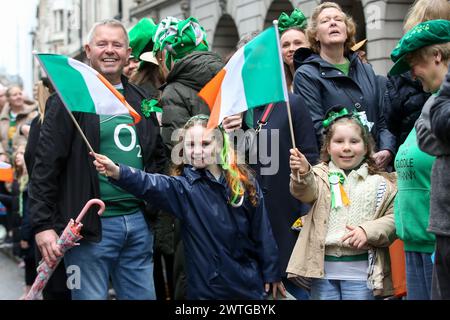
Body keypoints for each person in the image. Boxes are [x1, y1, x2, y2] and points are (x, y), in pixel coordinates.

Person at [28, 19, 166, 300]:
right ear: (88, 50)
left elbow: (157, 156)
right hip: (87, 229)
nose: (110, 50)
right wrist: (42, 226)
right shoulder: (67, 99)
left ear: (129, 53)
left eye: (117, 44)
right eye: (102, 44)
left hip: (138, 225)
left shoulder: (141, 99)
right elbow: (45, 166)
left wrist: (152, 206)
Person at [92, 114, 284, 299]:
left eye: (205, 144)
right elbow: (149, 183)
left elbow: (262, 230)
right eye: (191, 145)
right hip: (207, 290)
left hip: (247, 285)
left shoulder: (243, 182)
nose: (198, 151)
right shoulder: (183, 189)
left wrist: (272, 272)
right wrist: (118, 172)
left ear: (220, 144)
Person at [152, 16, 228, 299]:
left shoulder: (173, 90)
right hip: (230, 186)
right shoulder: (225, 75)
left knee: (189, 278)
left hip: (192, 197)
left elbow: (178, 151)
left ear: (168, 56)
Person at [286, 106, 397, 300]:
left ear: (366, 147)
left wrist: (367, 231)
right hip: (323, 274)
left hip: (362, 275)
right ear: (328, 147)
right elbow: (304, 191)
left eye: (354, 141)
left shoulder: (380, 183)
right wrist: (303, 172)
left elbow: (394, 218)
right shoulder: (319, 176)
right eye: (338, 141)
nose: (346, 147)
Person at [293, 2, 396, 170]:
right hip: (338, 171)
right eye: (325, 21)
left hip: (377, 168)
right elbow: (317, 128)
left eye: (338, 19)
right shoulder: (306, 75)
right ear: (315, 35)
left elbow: (383, 118)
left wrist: (387, 149)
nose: (333, 23)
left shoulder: (366, 68)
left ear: (347, 30)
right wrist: (358, 153)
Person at [392, 20, 450, 300]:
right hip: (417, 239)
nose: (412, 74)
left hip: (437, 242)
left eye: (414, 62)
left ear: (437, 55)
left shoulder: (440, 102)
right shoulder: (432, 101)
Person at [0, 85, 37, 158]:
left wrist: (21, 152)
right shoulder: (2, 117)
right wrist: (1, 154)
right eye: (15, 95)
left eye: (20, 94)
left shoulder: (33, 114)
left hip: (24, 158)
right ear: (8, 99)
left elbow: (33, 137)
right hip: (6, 162)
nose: (18, 97)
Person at [277, 8, 308, 91]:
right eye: (285, 45)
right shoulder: (279, 88)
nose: (291, 49)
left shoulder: (319, 77)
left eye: (298, 43)